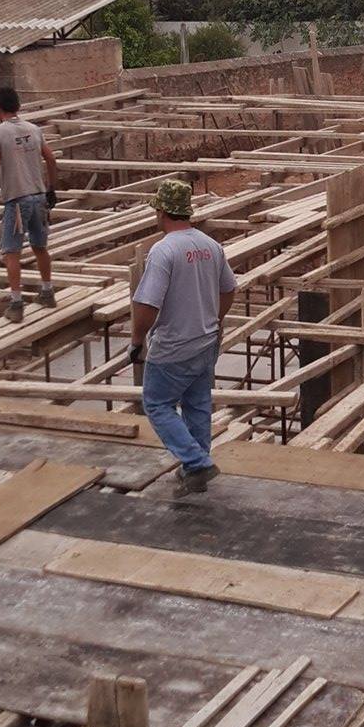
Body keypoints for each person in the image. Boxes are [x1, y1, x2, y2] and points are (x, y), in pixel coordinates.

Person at [130, 177, 236, 497]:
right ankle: (196, 469)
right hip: (205, 341)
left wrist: (137, 340)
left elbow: (147, 304)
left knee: (157, 404)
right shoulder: (210, 245)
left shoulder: (163, 251)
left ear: (162, 212)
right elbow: (229, 289)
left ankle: (196, 462)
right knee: (197, 404)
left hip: (174, 346)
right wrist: (215, 320)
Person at [0, 86, 60, 323]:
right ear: (17, 106)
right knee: (40, 246)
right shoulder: (34, 129)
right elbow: (51, 159)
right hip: (39, 198)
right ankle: (47, 292)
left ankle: (16, 304)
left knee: (11, 252)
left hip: (17, 201)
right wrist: (51, 189)